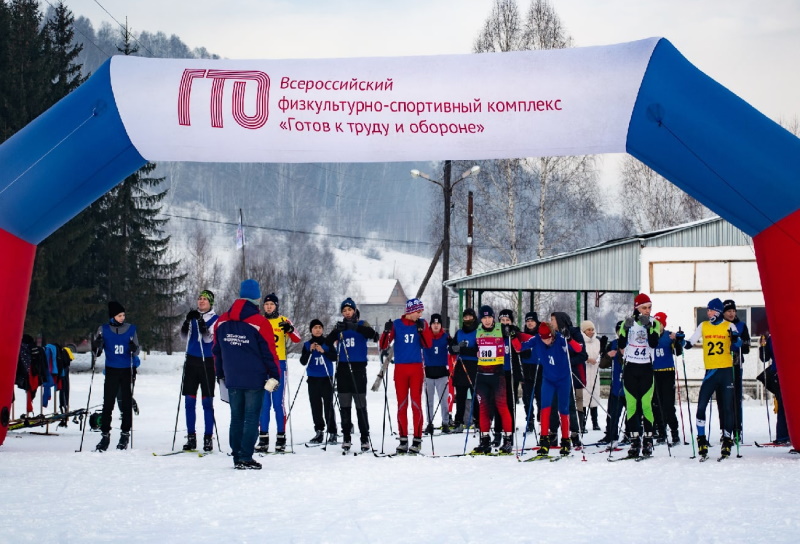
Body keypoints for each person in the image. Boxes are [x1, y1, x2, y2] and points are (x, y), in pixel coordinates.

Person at [213, 279, 281, 470]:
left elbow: (216, 350)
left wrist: (220, 374)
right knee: (251, 417)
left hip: (232, 377)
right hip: (254, 378)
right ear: (257, 297)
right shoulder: (259, 322)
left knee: (236, 417)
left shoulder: (222, 320)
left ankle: (237, 455)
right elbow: (269, 352)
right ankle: (245, 456)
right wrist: (275, 374)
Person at [678, 297, 742, 459]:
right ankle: (701, 440)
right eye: (707, 310)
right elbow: (689, 343)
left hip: (726, 372)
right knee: (701, 406)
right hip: (711, 373)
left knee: (727, 408)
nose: (708, 313)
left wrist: (735, 339)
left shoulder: (729, 325)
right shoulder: (704, 326)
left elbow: (738, 345)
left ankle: (727, 441)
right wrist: (680, 340)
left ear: (718, 311)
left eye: (710, 310)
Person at [513, 322, 584, 456]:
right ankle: (544, 441)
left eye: (548, 338)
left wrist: (569, 339)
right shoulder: (537, 339)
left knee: (563, 410)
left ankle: (565, 441)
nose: (545, 341)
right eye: (543, 338)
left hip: (563, 380)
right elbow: (519, 348)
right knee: (545, 409)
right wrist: (513, 338)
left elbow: (578, 349)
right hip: (548, 380)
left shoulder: (560, 339)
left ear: (552, 335)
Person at [379, 298, 433, 454]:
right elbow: (383, 345)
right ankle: (403, 439)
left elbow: (428, 345)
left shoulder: (422, 323)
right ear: (410, 312)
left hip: (416, 368)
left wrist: (422, 330)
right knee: (402, 405)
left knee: (416, 404)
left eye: (421, 311)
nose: (420, 314)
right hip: (401, 369)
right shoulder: (397, 324)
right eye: (418, 311)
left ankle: (417, 439)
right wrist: (386, 331)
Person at [327, 297, 377, 453]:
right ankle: (346, 437)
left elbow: (374, 335)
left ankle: (364, 437)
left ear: (354, 310)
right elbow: (328, 342)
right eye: (344, 311)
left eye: (349, 310)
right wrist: (337, 332)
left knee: (360, 405)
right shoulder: (340, 326)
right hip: (343, 368)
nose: (347, 313)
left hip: (358, 369)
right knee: (345, 405)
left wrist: (355, 327)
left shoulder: (362, 324)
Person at [91, 301, 140, 452]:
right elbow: (96, 353)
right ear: (113, 316)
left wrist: (133, 349)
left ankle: (125, 434)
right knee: (108, 404)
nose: (122, 318)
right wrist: (96, 345)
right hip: (111, 370)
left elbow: (137, 351)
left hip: (126, 370)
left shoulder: (131, 329)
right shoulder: (103, 329)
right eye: (119, 315)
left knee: (125, 404)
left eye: (123, 315)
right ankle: (105, 435)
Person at [255, 293, 301, 454]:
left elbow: (297, 338)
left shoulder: (283, 320)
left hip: (278, 364)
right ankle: (263, 438)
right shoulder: (259, 320)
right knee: (263, 404)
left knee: (278, 403)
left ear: (276, 306)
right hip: (262, 365)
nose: (268, 307)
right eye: (266, 304)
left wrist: (290, 329)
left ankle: (281, 437)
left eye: (271, 304)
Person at [617, 293, 662, 458]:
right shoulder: (627, 322)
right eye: (644, 307)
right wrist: (625, 330)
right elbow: (621, 344)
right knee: (631, 406)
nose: (647, 310)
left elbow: (653, 343)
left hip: (646, 369)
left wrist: (648, 326)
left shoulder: (654, 323)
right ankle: (635, 441)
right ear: (637, 308)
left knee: (646, 405)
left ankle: (648, 440)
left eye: (649, 307)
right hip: (630, 368)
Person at [469, 305, 514, 455]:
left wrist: (513, 331)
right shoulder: (477, 330)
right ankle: (485, 440)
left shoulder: (501, 328)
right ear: (480, 319)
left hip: (497, 375)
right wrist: (458, 348)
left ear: (493, 317)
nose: (487, 321)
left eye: (489, 317)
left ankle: (508, 440)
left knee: (502, 407)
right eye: (484, 318)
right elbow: (473, 348)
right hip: (482, 376)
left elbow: (517, 332)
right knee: (483, 409)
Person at [178, 289, 219, 452]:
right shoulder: (193, 317)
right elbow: (183, 337)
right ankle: (191, 437)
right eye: (199, 298)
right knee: (189, 401)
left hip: (207, 362)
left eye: (205, 299)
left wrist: (202, 325)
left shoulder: (216, 319)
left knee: (207, 402)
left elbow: (208, 338)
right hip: (192, 361)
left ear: (210, 302)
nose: (201, 301)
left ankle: (208, 438)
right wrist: (187, 322)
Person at [550, 312, 586, 447]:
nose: (551, 322)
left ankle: (574, 434)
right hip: (554, 374)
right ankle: (553, 433)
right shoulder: (553, 334)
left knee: (569, 405)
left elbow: (582, 354)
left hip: (569, 374)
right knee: (553, 404)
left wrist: (567, 362)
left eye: (553, 319)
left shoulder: (574, 333)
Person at [299, 319, 338, 444]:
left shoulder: (327, 342)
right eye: (315, 327)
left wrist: (323, 351)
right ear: (311, 330)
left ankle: (332, 432)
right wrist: (310, 351)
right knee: (315, 406)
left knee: (328, 406)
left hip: (326, 378)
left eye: (320, 327)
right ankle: (319, 431)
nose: (318, 330)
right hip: (313, 379)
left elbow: (334, 357)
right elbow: (303, 361)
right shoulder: (307, 344)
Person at [651, 312, 682, 445]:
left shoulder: (669, 336)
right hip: (654, 373)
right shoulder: (651, 336)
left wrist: (677, 341)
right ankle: (661, 432)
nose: (658, 326)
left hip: (667, 372)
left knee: (668, 405)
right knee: (656, 405)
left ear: (664, 324)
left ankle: (674, 433)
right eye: (656, 324)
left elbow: (678, 352)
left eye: (660, 324)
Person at [721, 299, 750, 439]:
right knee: (723, 400)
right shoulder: (719, 325)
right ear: (723, 312)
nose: (731, 313)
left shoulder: (741, 325)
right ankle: (725, 430)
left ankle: (737, 429)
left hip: (736, 365)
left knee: (736, 399)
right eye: (728, 311)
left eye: (733, 311)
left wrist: (737, 342)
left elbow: (747, 347)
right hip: (721, 366)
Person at [449, 308, 479, 433]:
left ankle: (478, 421)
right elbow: (452, 348)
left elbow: (478, 350)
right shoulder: (459, 332)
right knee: (460, 396)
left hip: (474, 366)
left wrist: (462, 349)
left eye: (470, 317)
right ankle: (459, 422)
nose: (468, 320)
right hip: (461, 365)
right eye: (465, 317)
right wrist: (454, 348)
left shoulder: (478, 332)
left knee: (475, 395)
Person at [422, 313, 451, 435]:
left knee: (444, 400)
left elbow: (452, 349)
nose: (435, 325)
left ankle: (445, 423)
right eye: (433, 323)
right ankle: (429, 423)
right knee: (429, 401)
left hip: (442, 373)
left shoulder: (445, 337)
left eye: (438, 323)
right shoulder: (425, 336)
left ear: (441, 325)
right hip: (428, 372)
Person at [496, 309, 522, 446]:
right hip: (498, 371)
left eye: (507, 321)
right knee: (498, 403)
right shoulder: (496, 333)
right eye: (502, 321)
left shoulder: (515, 332)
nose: (505, 323)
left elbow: (519, 349)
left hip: (511, 372)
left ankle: (509, 431)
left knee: (510, 403)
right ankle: (498, 431)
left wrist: (513, 337)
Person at [598, 321, 626, 446]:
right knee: (613, 412)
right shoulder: (614, 344)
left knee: (631, 413)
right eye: (619, 330)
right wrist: (606, 354)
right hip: (615, 384)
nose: (621, 333)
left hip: (630, 384)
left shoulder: (633, 344)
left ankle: (630, 435)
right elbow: (603, 364)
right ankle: (611, 435)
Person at [759, 332, 789, 444]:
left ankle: (786, 435)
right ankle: (783, 436)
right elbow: (764, 358)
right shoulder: (772, 338)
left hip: (788, 372)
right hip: (778, 374)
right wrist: (762, 346)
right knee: (783, 404)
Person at [519, 312, 541, 433]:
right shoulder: (523, 335)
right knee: (527, 398)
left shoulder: (540, 334)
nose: (530, 323)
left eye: (532, 321)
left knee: (540, 397)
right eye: (528, 321)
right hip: (526, 369)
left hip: (539, 368)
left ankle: (541, 418)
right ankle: (529, 420)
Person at [580, 320, 602, 431]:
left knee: (594, 397)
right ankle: (582, 423)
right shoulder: (580, 341)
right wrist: (587, 359)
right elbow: (579, 355)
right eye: (589, 329)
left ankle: (595, 422)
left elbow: (599, 354)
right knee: (583, 397)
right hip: (584, 371)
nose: (591, 331)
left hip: (594, 372)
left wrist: (597, 359)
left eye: (592, 329)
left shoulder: (597, 342)